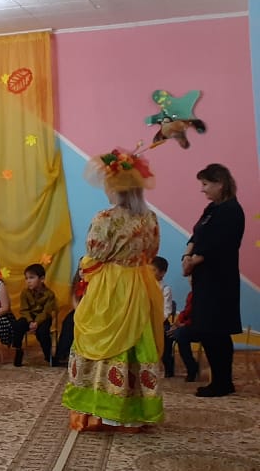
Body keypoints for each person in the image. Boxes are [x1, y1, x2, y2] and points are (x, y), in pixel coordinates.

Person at [63, 147, 164, 432]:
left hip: (109, 287)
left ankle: (100, 410)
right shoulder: (150, 219)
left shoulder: (104, 218)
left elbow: (94, 255)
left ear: (115, 187)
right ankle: (131, 412)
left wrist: (86, 271)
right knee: (135, 344)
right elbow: (152, 252)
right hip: (139, 284)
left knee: (102, 341)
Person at [182, 163, 244, 398]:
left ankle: (222, 382)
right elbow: (196, 235)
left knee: (216, 330)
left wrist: (193, 262)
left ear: (220, 184)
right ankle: (219, 380)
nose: (203, 189)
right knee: (207, 330)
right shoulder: (212, 209)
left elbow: (220, 245)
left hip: (220, 280)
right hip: (204, 279)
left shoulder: (232, 211)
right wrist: (187, 256)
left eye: (206, 184)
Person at [12, 263, 57, 367]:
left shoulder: (49, 294)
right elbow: (24, 310)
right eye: (26, 278)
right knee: (17, 325)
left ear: (42, 279)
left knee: (43, 332)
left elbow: (46, 312)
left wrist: (36, 322)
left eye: (31, 278)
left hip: (43, 318)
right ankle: (18, 349)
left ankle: (48, 355)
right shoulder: (25, 293)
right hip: (29, 317)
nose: (28, 281)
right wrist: (30, 321)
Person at [53, 266, 86, 367]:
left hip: (91, 312)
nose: (82, 271)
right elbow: (75, 301)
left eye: (85, 269)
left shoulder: (95, 283)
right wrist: (79, 313)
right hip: (79, 310)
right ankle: (62, 353)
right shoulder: (77, 284)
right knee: (68, 322)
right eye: (80, 269)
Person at [166, 287, 200, 382]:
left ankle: (192, 367)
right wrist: (178, 322)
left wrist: (183, 324)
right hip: (186, 325)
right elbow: (185, 312)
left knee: (180, 334)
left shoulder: (204, 294)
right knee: (168, 333)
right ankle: (168, 369)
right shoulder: (191, 294)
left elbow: (199, 316)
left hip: (199, 327)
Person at [152, 256, 177, 377]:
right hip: (145, 322)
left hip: (160, 323)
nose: (151, 273)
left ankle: (168, 367)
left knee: (166, 335)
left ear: (162, 273)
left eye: (154, 270)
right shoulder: (145, 286)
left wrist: (155, 322)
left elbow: (166, 311)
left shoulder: (166, 289)